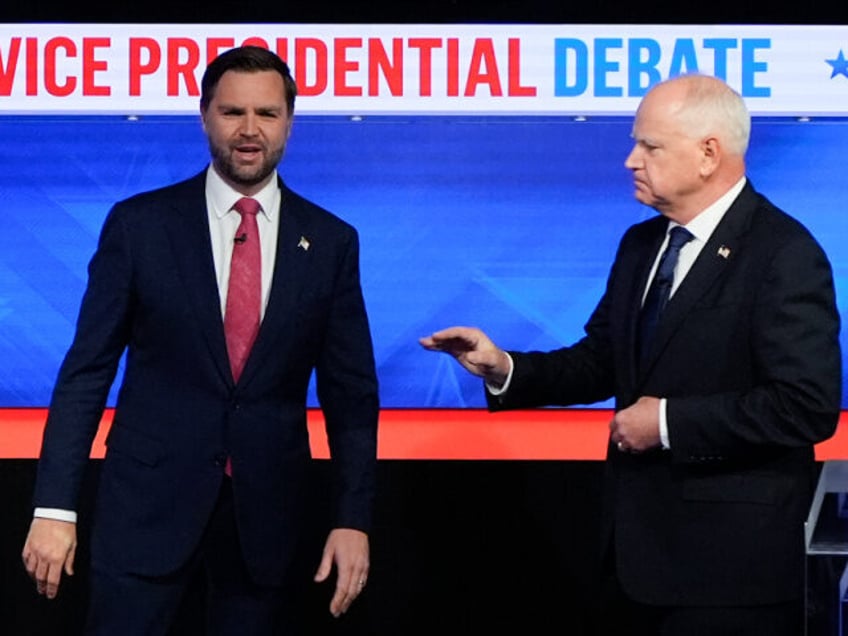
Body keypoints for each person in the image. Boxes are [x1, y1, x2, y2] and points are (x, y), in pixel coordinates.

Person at [420, 73, 841, 635]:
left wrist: (667, 423)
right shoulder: (641, 245)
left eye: (650, 145)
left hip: (730, 580)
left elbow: (805, 404)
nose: (630, 161)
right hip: (633, 566)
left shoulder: (783, 253)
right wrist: (505, 367)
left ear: (708, 154)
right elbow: (603, 360)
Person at [21, 45, 379, 635]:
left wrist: (353, 518)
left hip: (268, 527)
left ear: (289, 122)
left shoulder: (332, 242)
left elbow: (352, 397)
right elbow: (87, 371)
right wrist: (55, 506)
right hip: (144, 517)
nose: (248, 130)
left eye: (266, 114)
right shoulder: (140, 226)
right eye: (232, 111)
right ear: (204, 115)